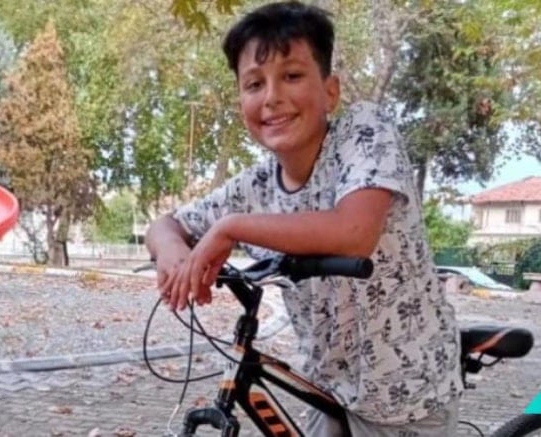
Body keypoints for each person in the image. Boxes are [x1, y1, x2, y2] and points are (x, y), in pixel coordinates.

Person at [145, 1, 463, 435]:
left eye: (292, 76)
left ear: (330, 91)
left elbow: (354, 232)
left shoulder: (364, 132)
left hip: (406, 392)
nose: (272, 97)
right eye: (254, 83)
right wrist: (173, 253)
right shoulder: (255, 187)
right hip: (327, 388)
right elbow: (166, 225)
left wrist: (229, 228)